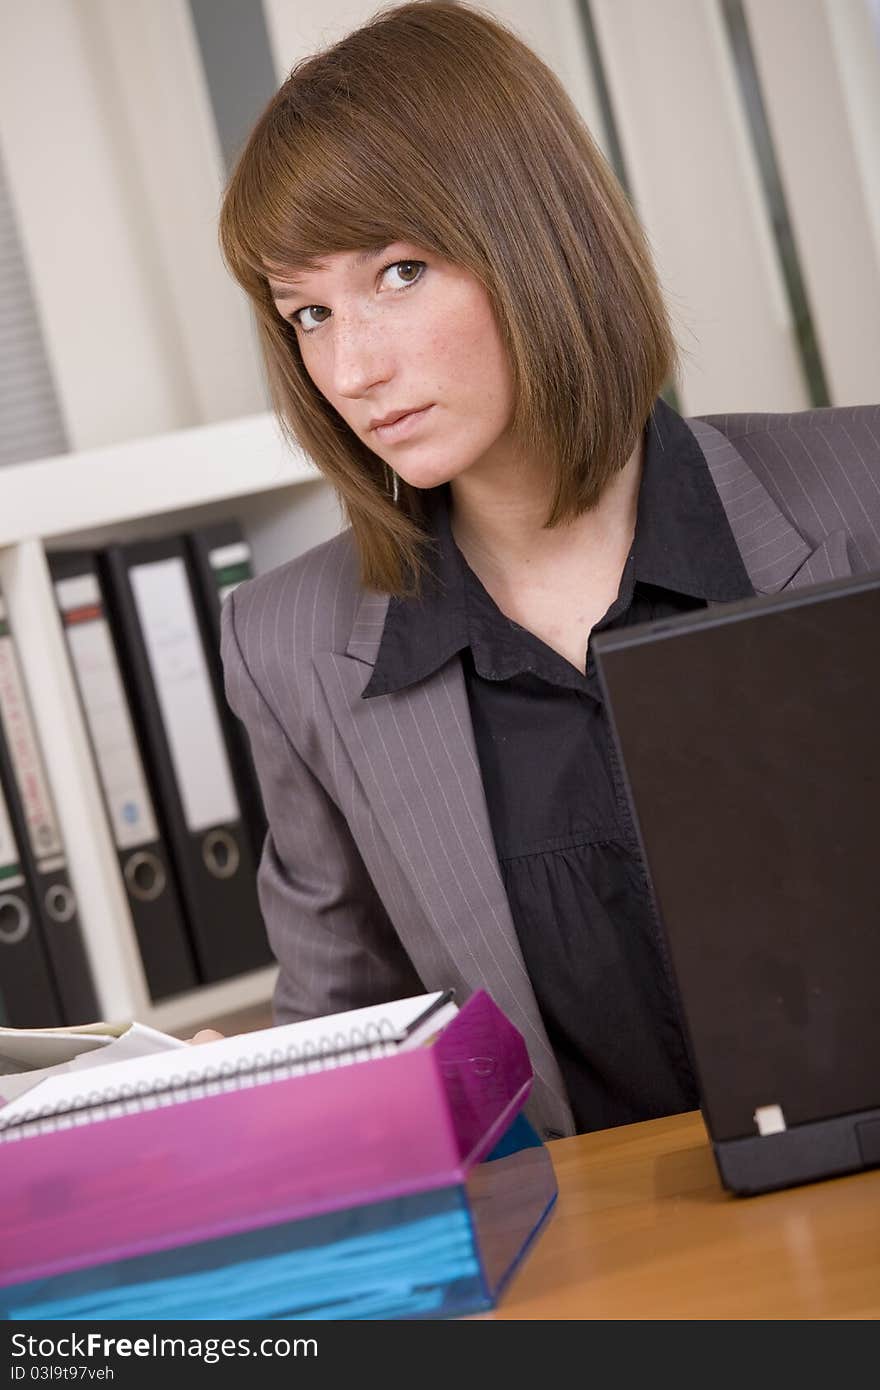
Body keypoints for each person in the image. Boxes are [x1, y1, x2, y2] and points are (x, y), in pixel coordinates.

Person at [215, 1, 880, 1140]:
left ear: (534, 232)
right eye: (309, 312)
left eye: (400, 272)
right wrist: (252, 1110)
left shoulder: (861, 488)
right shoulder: (290, 648)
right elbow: (355, 1052)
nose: (353, 365)